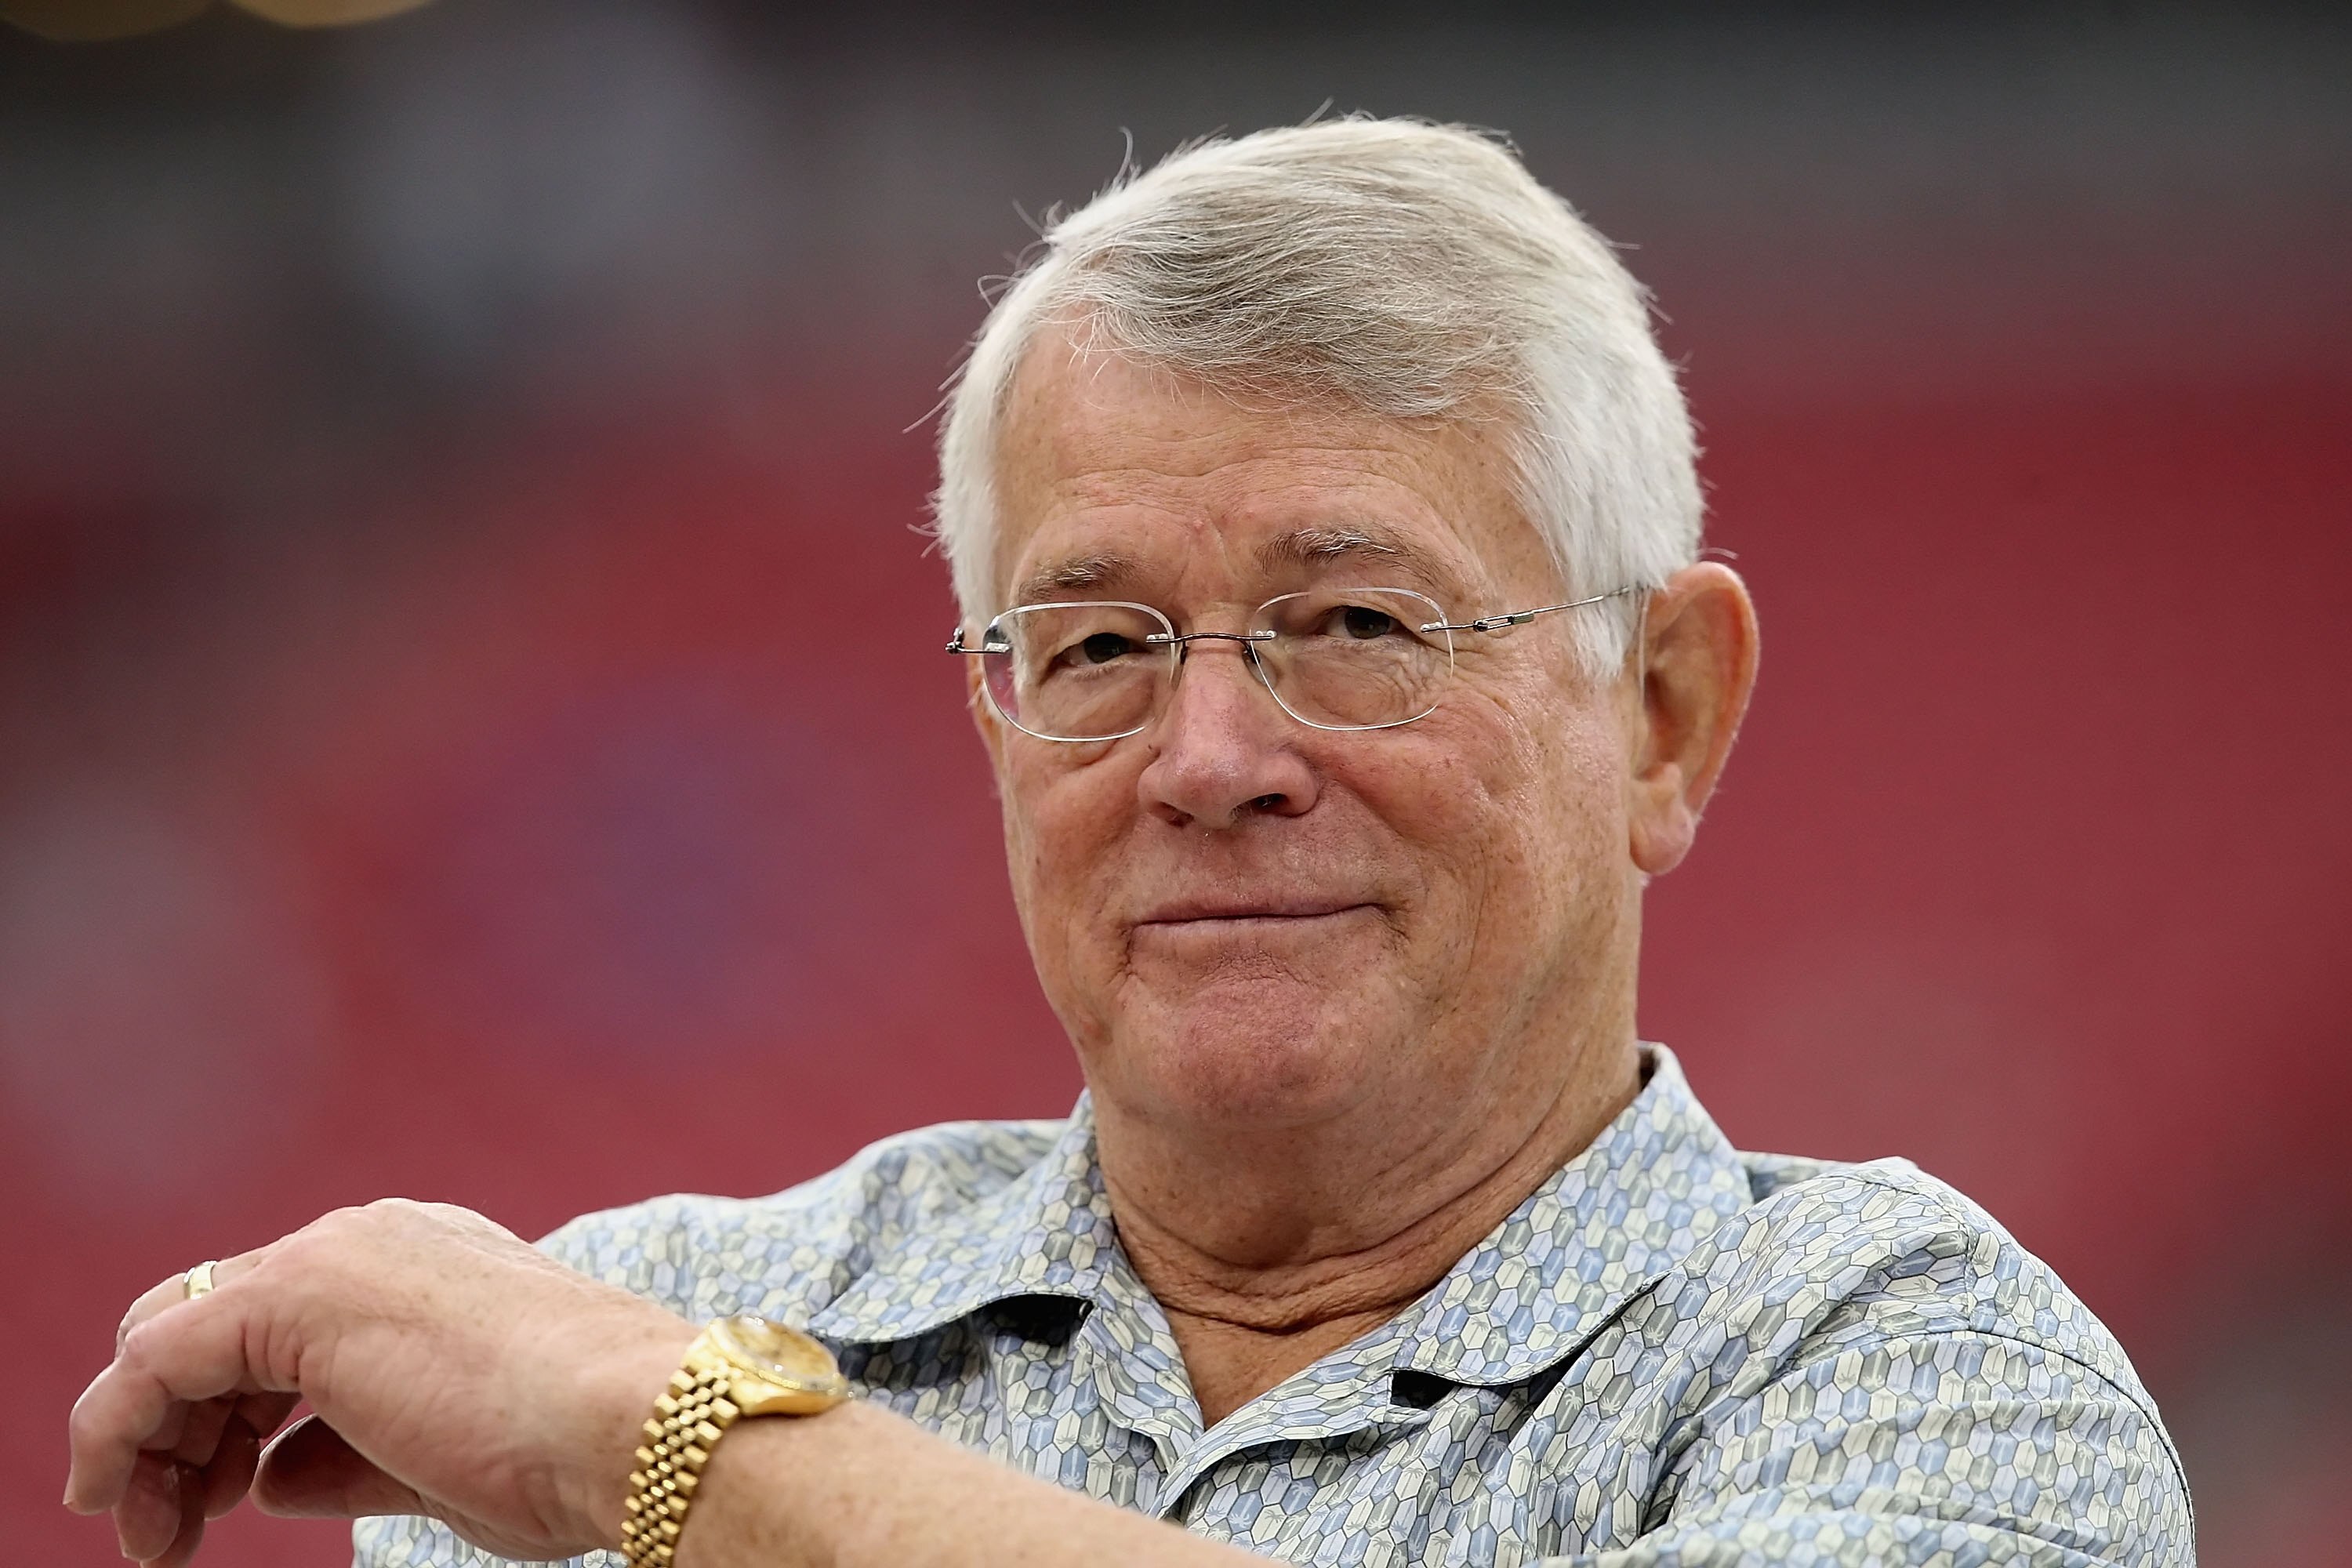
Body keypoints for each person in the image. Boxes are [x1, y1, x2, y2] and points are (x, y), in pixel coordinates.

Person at [65, 118, 2192, 1568]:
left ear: (1662, 711)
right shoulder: (648, 1310)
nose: (1207, 755)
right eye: (1092, 644)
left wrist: (684, 1463)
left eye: (1353, 623)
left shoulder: (1927, 1383)